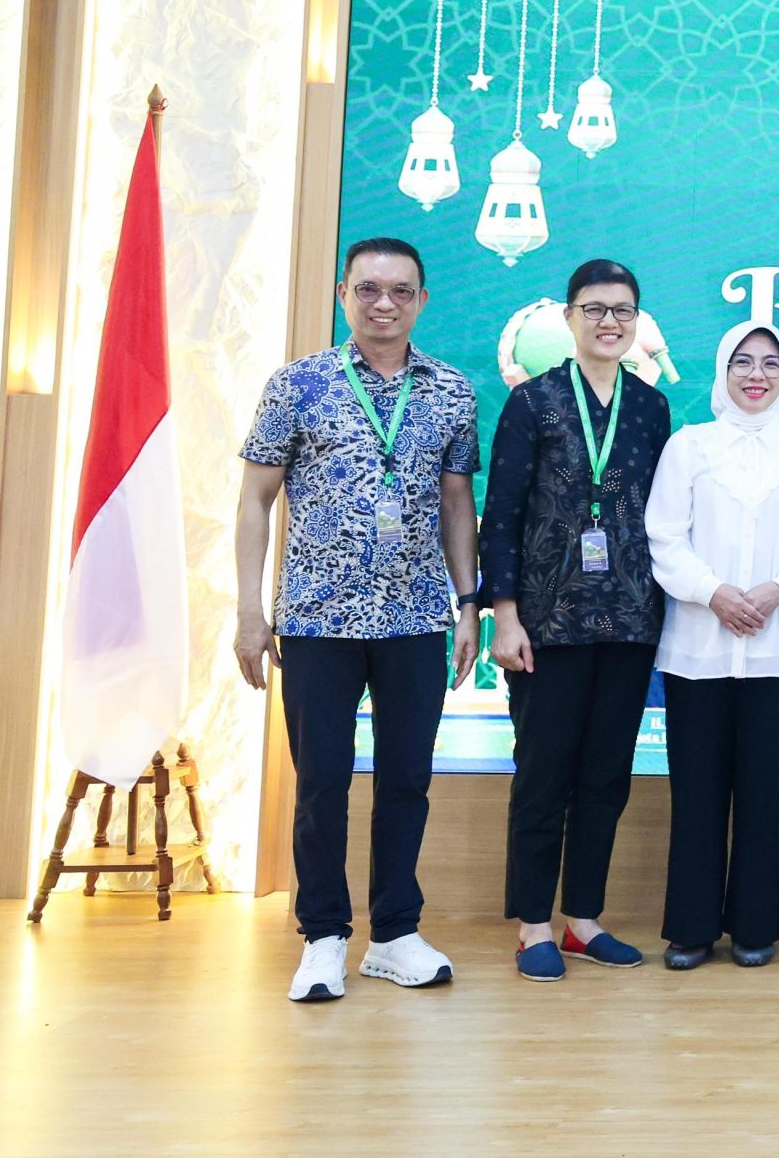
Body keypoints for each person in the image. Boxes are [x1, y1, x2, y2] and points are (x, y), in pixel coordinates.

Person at [234, 237, 479, 1003]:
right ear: (344, 293)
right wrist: (249, 609)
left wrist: (468, 602)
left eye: (401, 290)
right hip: (316, 619)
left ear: (421, 300)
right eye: (368, 288)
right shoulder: (296, 384)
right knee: (321, 784)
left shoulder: (450, 390)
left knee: (407, 779)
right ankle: (324, 936)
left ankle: (395, 933)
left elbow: (456, 504)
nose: (384, 303)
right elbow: (255, 500)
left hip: (415, 617)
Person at [481, 258, 675, 981]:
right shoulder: (532, 402)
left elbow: (663, 515)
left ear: (637, 321)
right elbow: (502, 514)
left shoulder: (650, 408)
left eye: (622, 310)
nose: (609, 322)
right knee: (543, 775)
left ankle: (583, 920)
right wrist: (504, 615)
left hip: (629, 620)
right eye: (594, 309)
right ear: (569, 318)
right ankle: (533, 924)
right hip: (547, 622)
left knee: (605, 777)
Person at [644, 321, 779, 972]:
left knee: (765, 793)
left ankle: (756, 924)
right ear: (723, 370)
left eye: (770, 364)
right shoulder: (688, 445)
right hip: (698, 646)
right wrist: (715, 593)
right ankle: (691, 927)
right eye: (743, 362)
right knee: (696, 791)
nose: (757, 375)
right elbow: (664, 537)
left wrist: (778, 589)